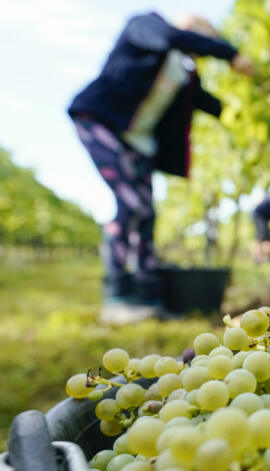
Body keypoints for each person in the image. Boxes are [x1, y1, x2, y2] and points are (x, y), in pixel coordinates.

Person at [68, 12, 254, 323]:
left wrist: (249, 105)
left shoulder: (183, 72)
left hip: (139, 144)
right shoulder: (147, 27)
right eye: (204, 38)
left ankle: (148, 296)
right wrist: (230, 53)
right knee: (131, 206)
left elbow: (207, 104)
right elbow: (169, 38)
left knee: (147, 215)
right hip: (100, 123)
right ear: (190, 30)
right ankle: (117, 296)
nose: (201, 49)